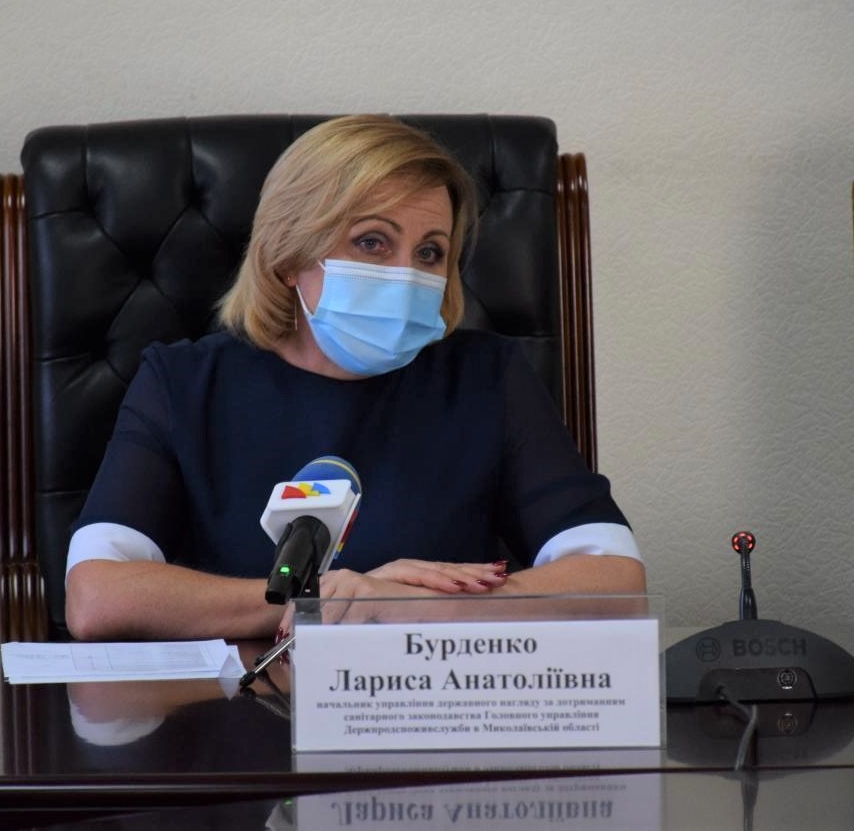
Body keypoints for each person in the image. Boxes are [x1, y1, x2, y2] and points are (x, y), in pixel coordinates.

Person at [64, 114, 644, 641]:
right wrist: (327, 602)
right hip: (241, 706)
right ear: (288, 256)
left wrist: (418, 606)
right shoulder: (183, 383)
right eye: (372, 242)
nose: (406, 276)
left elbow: (616, 582)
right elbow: (96, 597)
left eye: (430, 253)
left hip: (431, 704)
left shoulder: (488, 377)